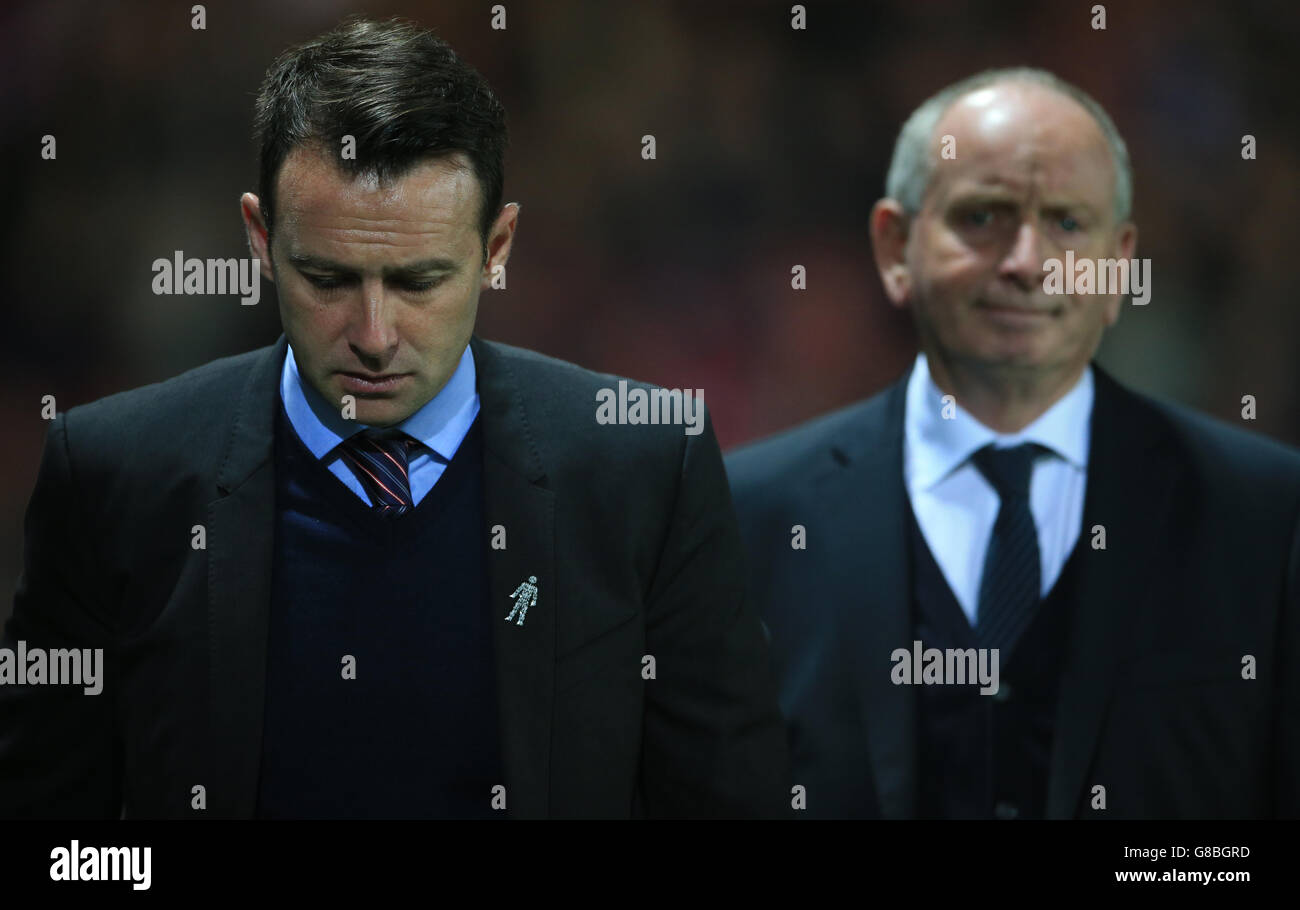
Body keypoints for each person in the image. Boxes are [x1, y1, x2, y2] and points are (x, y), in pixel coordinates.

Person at [0, 17, 788, 819]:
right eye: (327, 277)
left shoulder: (645, 467)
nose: (374, 337)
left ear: (498, 246)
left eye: (418, 282)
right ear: (259, 240)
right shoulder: (111, 477)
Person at [726, 67, 1300, 819]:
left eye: (1067, 223)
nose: (1027, 262)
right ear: (895, 246)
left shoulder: (1266, 513)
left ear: (1118, 264)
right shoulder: (744, 515)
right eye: (983, 216)